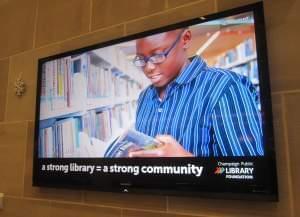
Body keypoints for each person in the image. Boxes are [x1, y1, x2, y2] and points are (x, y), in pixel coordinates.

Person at [129, 28, 263, 157]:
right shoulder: (144, 97)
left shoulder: (226, 87)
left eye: (158, 55)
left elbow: (247, 171)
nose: (148, 68)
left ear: (185, 39)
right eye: (141, 59)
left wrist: (185, 162)